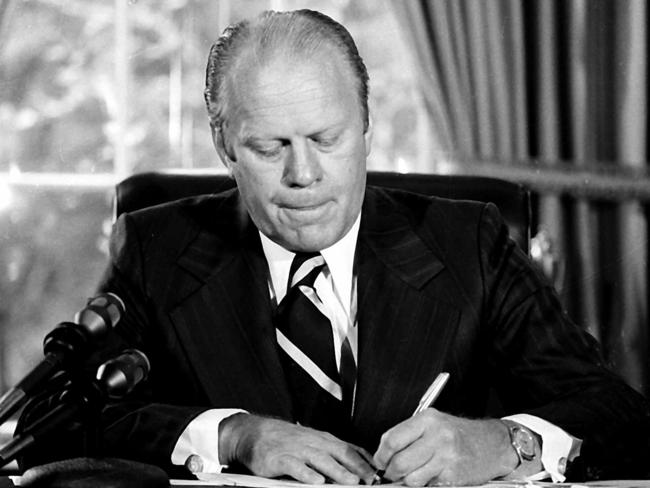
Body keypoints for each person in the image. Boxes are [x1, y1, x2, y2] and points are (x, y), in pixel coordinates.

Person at [19, 9, 650, 485]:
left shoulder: (470, 243)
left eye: (327, 138)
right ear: (225, 147)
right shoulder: (159, 247)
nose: (304, 175)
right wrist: (232, 434)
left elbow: (621, 415)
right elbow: (50, 424)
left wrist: (509, 443)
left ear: (368, 127)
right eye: (272, 148)